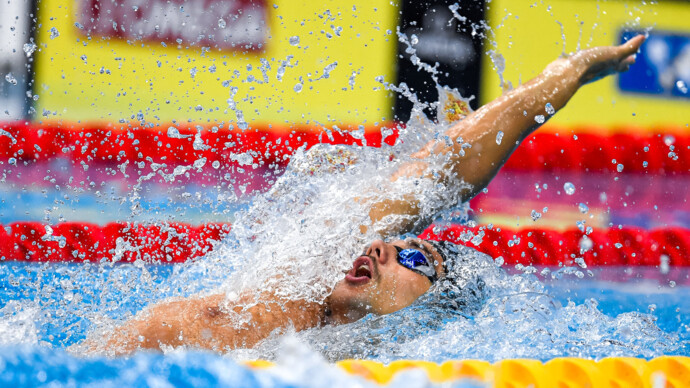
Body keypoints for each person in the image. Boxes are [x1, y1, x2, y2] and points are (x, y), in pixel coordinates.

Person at [83, 35, 646, 355]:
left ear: (431, 310)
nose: (384, 248)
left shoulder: (377, 359)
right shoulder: (319, 258)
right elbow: (451, 160)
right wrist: (572, 69)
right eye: (400, 243)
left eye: (414, 258)